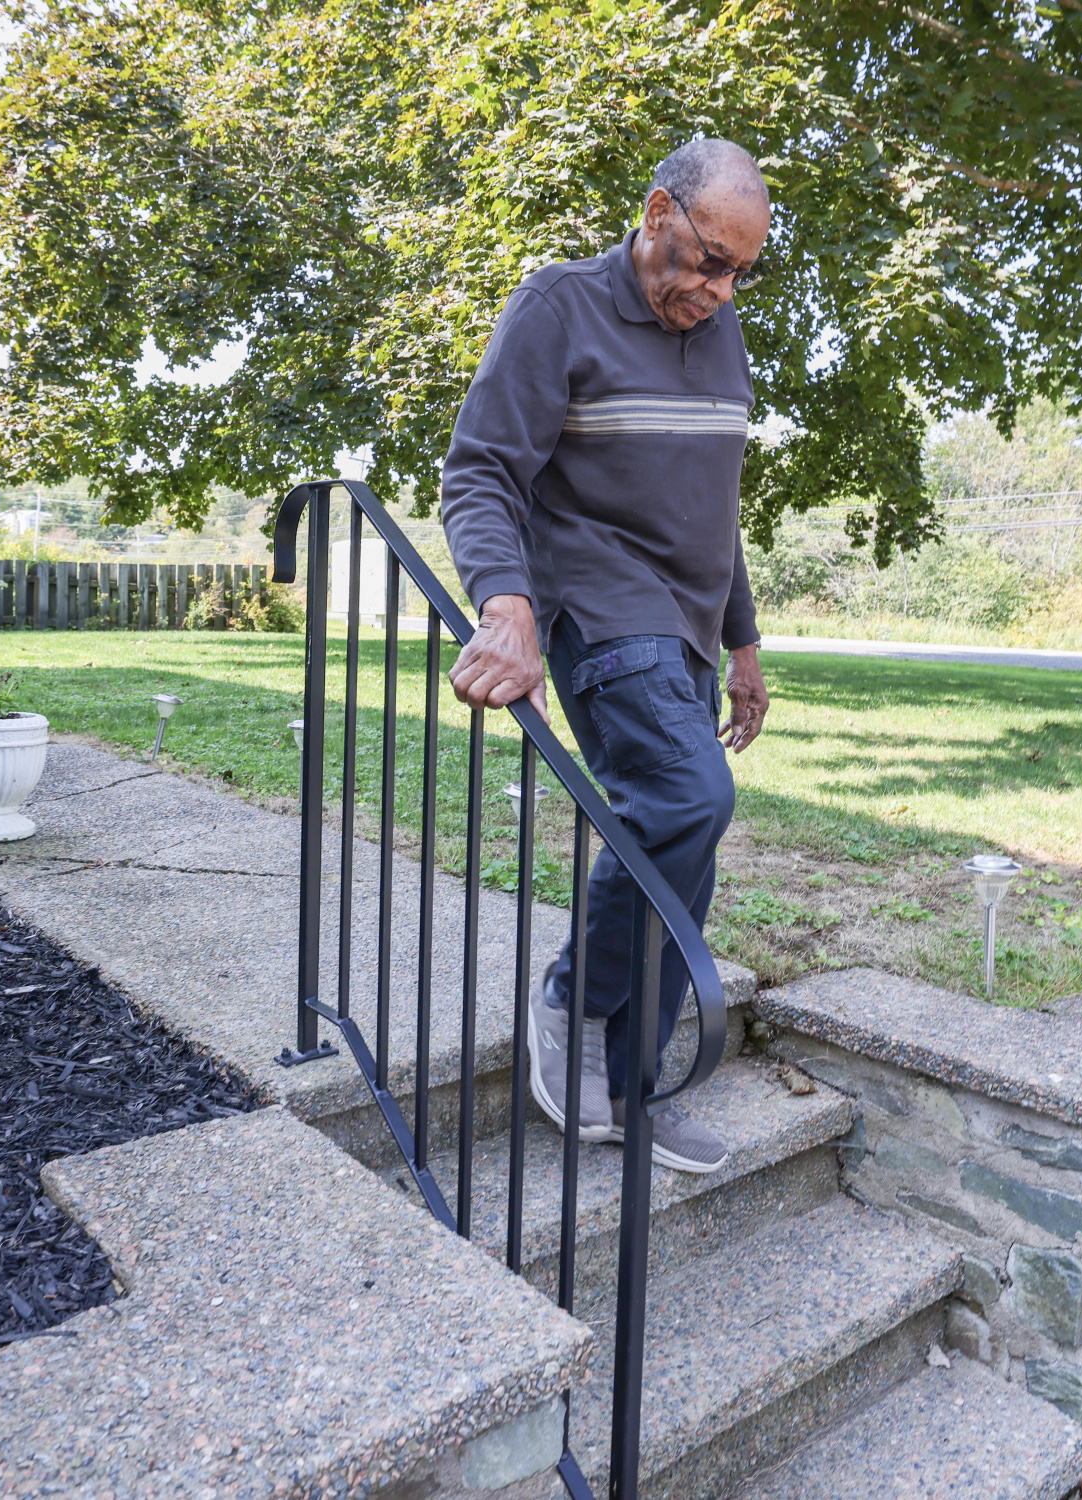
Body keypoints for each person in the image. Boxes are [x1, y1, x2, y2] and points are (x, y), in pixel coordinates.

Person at [439, 138, 772, 1174]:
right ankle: (573, 1006)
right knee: (686, 800)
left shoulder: (722, 339)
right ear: (654, 210)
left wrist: (744, 642)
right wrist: (505, 609)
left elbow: (714, 508)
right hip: (593, 599)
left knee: (684, 843)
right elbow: (481, 472)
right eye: (704, 258)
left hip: (686, 625)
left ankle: (634, 1083)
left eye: (737, 272)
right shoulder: (558, 308)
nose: (714, 290)